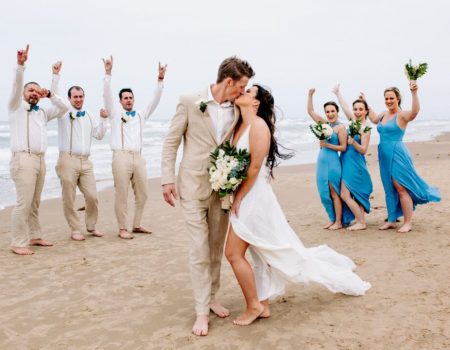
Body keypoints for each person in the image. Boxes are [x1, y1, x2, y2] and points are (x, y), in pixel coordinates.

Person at [225, 85, 371, 326]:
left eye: (249, 92)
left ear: (256, 103)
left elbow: (253, 168)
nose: (242, 92)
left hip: (253, 197)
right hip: (249, 194)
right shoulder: (239, 125)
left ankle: (253, 306)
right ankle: (263, 304)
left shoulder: (258, 126)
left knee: (232, 253)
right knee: (261, 253)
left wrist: (238, 196)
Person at [161, 56, 255, 336]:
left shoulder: (237, 109)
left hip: (222, 189)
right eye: (242, 86)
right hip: (191, 186)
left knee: (215, 247)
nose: (243, 91)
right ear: (229, 81)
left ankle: (212, 296)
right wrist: (167, 179)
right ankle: (201, 312)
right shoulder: (190, 100)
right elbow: (171, 141)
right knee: (199, 249)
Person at [8, 45, 68, 255]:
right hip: (22, 160)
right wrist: (20, 66)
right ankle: (18, 242)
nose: (33, 93)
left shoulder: (42, 112)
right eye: (30, 90)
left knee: (34, 202)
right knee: (23, 203)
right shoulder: (15, 106)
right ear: (24, 93)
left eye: (36, 91)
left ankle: (35, 236)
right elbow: (16, 87)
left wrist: (51, 92)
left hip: (40, 160)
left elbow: (64, 108)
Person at [102, 56, 166, 239]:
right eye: (125, 98)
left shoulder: (141, 114)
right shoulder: (114, 113)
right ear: (120, 101)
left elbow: (155, 100)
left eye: (131, 97)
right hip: (120, 157)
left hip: (138, 157)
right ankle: (122, 228)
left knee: (143, 194)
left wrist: (160, 80)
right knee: (121, 194)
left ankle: (136, 224)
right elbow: (106, 95)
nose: (128, 100)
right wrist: (108, 73)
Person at [367, 82, 441, 232]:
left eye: (391, 98)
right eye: (386, 98)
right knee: (389, 187)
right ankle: (392, 220)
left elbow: (414, 112)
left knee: (401, 188)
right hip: (384, 154)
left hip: (397, 153)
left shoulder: (401, 115)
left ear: (398, 98)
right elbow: (374, 119)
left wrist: (414, 92)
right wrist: (365, 103)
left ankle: (407, 223)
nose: (388, 101)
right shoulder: (384, 114)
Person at [51, 61, 108, 241]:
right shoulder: (63, 111)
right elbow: (55, 97)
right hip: (67, 160)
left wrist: (103, 119)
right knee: (69, 197)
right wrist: (55, 76)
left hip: (86, 161)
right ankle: (75, 229)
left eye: (81, 96)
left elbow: (98, 135)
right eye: (75, 96)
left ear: (84, 97)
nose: (78, 99)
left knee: (92, 196)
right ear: (69, 98)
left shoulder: (89, 115)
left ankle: (91, 226)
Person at [332, 85, 373, 230]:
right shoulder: (353, 121)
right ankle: (359, 220)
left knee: (344, 194)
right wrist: (338, 94)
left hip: (355, 163)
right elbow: (344, 107)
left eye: (360, 109)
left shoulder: (366, 128)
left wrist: (353, 142)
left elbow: (363, 150)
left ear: (366, 111)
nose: (357, 111)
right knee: (354, 192)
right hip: (345, 160)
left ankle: (361, 222)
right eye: (355, 109)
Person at [307, 89, 350, 229]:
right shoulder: (324, 124)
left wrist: (327, 145)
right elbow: (311, 111)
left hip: (333, 162)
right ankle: (332, 218)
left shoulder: (340, 128)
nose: (330, 114)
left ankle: (338, 221)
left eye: (333, 111)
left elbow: (343, 147)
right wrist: (310, 95)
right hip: (321, 161)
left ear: (337, 112)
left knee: (333, 192)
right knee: (323, 192)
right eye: (327, 111)